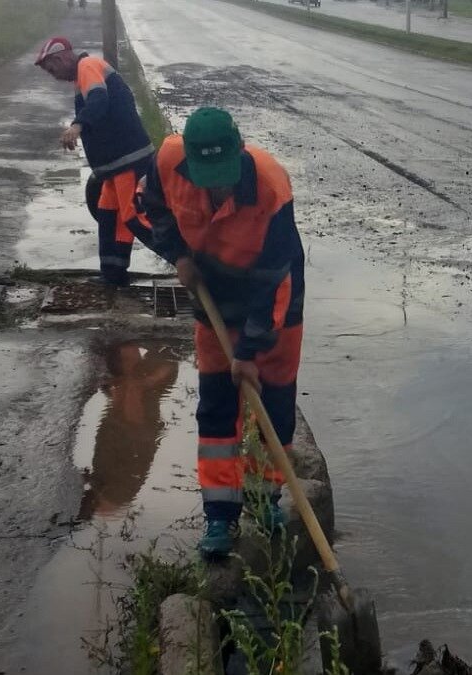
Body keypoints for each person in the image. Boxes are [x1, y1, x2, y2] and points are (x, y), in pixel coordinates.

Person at [139, 108, 305, 558]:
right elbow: (149, 204)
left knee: (273, 404)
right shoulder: (168, 160)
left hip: (273, 305)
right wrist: (177, 255)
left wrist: (249, 349)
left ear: (240, 151)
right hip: (212, 299)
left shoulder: (271, 187)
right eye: (208, 178)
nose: (218, 188)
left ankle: (264, 498)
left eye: (225, 178)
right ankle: (220, 516)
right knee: (216, 408)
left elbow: (275, 276)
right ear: (190, 161)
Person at [35, 36, 158, 286]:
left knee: (136, 218)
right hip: (113, 167)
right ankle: (113, 276)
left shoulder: (88, 66)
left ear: (59, 58)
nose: (53, 75)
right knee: (110, 218)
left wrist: (78, 125)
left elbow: (99, 100)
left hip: (128, 160)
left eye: (51, 69)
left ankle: (189, 263)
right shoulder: (81, 76)